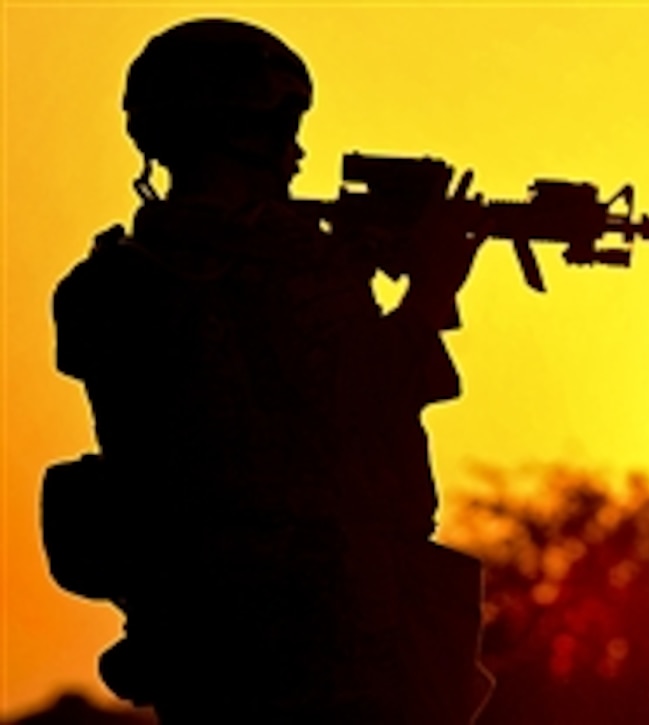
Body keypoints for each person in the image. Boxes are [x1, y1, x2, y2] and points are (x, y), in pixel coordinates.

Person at [47, 17, 491, 724]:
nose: (295, 153)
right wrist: (428, 293)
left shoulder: (111, 285)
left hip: (227, 648)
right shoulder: (237, 282)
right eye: (282, 125)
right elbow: (353, 413)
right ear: (233, 127)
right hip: (313, 652)